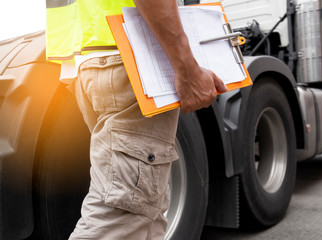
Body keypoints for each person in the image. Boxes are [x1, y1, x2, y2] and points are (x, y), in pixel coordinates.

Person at [46, 0, 227, 239]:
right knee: (121, 214)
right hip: (129, 56)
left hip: (87, 59)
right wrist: (187, 68)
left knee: (146, 215)